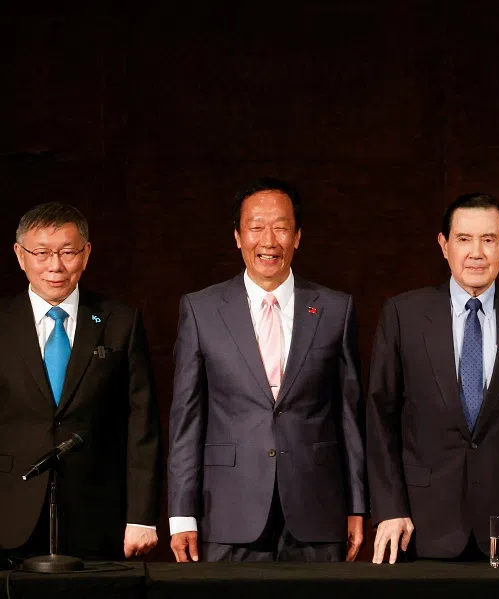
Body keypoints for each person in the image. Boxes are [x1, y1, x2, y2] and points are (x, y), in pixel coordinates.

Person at [366, 193, 499, 566]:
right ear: (444, 245)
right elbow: (380, 419)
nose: (476, 252)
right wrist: (388, 508)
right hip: (422, 524)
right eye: (464, 239)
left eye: (489, 239)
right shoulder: (404, 315)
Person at [168, 178, 365, 563]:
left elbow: (349, 416)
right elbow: (185, 419)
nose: (269, 240)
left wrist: (357, 505)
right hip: (227, 510)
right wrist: (181, 514)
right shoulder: (201, 309)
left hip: (316, 510)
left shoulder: (335, 309)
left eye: (281, 227)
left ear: (298, 236)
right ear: (238, 237)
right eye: (256, 227)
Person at [0, 202, 161, 561]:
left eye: (68, 252)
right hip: (10, 511)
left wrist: (141, 516)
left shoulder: (121, 321)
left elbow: (142, 425)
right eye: (41, 253)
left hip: (98, 515)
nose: (55, 266)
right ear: (20, 255)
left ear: (86, 254)